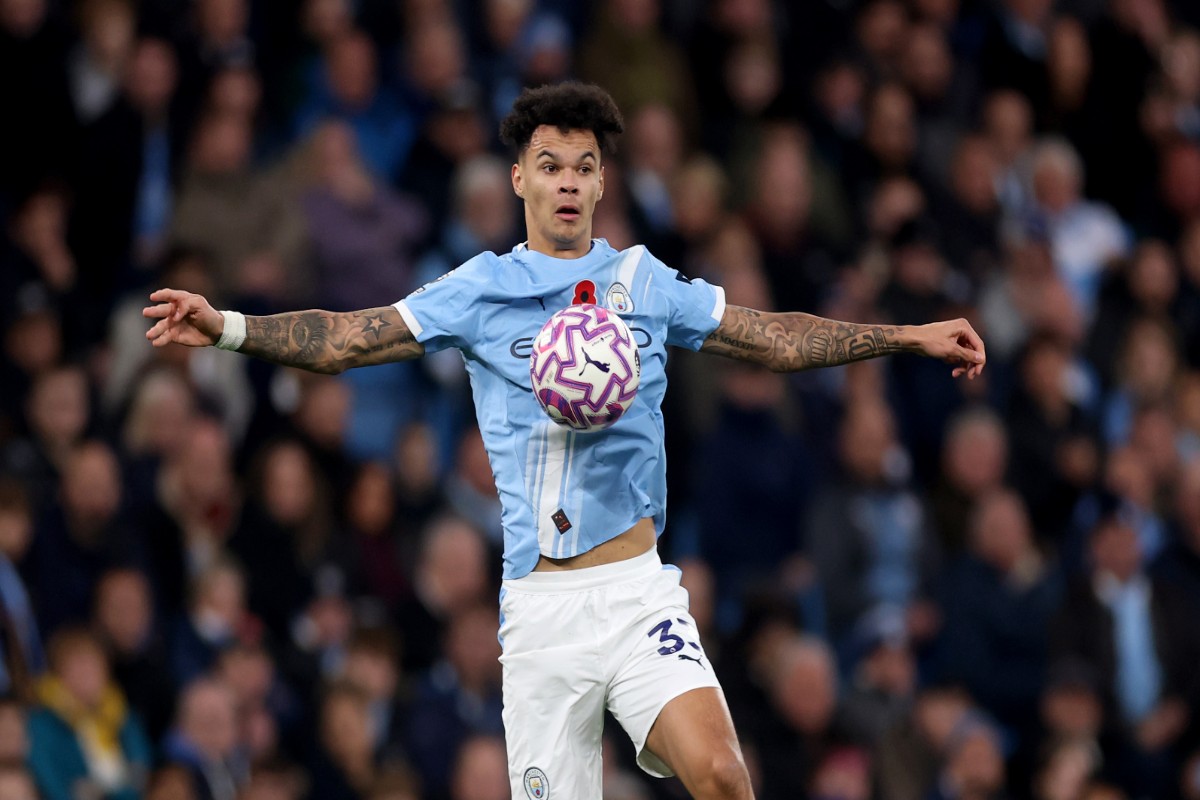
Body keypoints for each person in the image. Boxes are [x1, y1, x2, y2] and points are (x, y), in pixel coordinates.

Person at [143, 82, 986, 800]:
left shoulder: (643, 280)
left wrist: (905, 335)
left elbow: (772, 338)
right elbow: (347, 338)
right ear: (520, 178)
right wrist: (228, 327)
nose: (569, 183)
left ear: (603, 180)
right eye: (550, 166)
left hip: (638, 592)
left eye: (585, 166)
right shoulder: (481, 289)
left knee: (726, 777)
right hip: (544, 615)